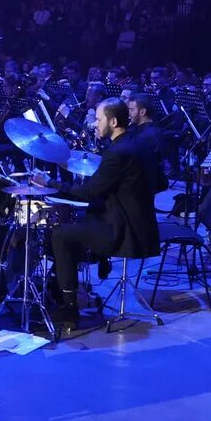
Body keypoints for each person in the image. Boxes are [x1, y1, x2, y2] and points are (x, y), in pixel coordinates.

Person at [48, 98, 158, 338]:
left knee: (60, 235)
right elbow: (162, 182)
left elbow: (89, 192)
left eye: (98, 119)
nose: (95, 125)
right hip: (142, 224)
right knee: (77, 220)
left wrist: (50, 183)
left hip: (124, 230)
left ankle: (68, 309)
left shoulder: (118, 152)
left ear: (114, 121)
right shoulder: (137, 144)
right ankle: (72, 278)